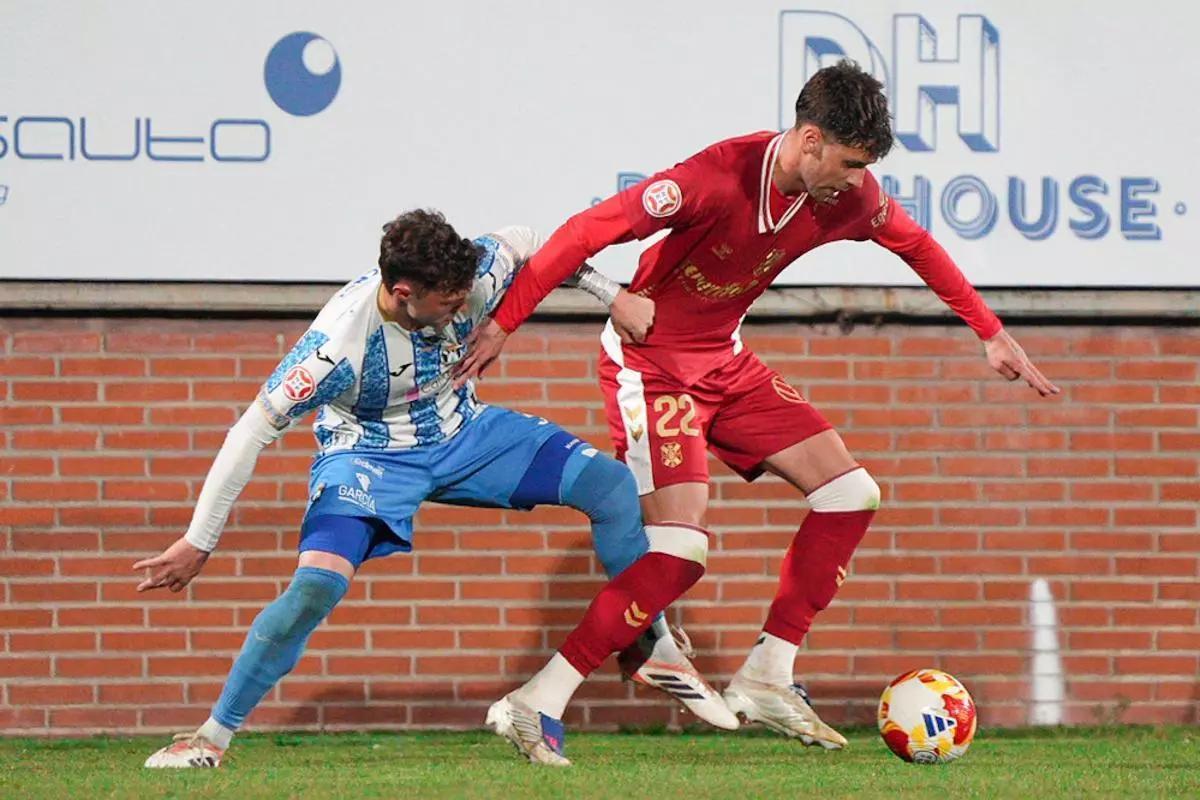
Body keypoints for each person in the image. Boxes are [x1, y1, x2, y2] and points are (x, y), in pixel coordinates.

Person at [455, 61, 1059, 749]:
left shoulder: (847, 199)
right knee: (681, 551)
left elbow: (916, 246)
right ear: (809, 141)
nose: (860, 182)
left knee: (851, 494)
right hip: (652, 370)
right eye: (851, 163)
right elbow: (582, 234)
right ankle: (537, 700)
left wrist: (990, 331)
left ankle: (768, 674)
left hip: (726, 361)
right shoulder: (711, 179)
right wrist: (505, 324)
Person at [138, 209, 736, 770]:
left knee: (609, 486)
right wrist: (199, 540)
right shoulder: (335, 348)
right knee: (315, 587)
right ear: (403, 293)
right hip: (368, 456)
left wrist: (612, 294)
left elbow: (535, 243)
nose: (459, 313)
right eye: (446, 305)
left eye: (462, 300)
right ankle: (211, 738)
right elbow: (250, 432)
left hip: (464, 432)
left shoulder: (473, 270)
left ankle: (644, 642)